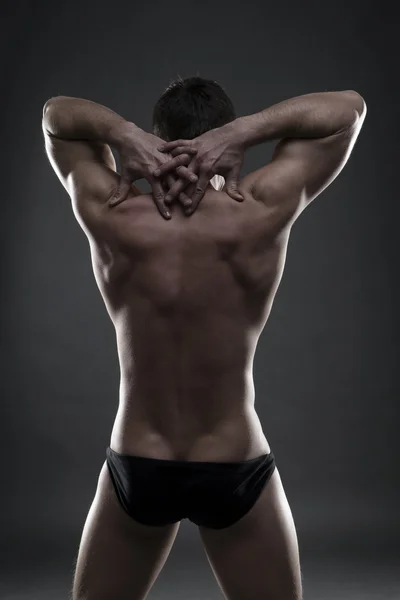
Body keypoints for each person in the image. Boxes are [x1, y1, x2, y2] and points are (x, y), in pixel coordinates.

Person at [42, 77, 366, 600]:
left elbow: (56, 117)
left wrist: (121, 136)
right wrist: (247, 132)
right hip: (234, 462)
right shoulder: (260, 208)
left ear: (155, 138)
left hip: (137, 460)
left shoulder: (113, 212)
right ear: (224, 144)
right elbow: (348, 110)